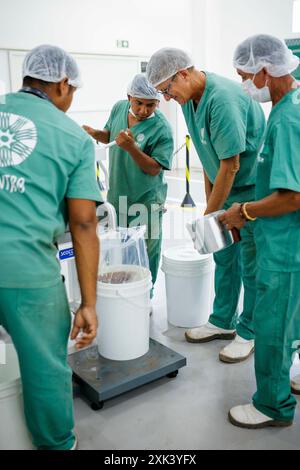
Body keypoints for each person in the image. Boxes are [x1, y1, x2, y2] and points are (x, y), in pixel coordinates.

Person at [0, 45, 102, 449]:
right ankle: (58, 445)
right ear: (62, 84)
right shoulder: (72, 138)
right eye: (72, 91)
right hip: (27, 273)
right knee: (45, 368)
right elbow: (84, 223)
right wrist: (88, 304)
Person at [147, 48, 266, 363]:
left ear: (183, 74)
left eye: (167, 90)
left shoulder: (222, 99)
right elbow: (209, 159)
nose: (168, 98)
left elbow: (232, 165)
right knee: (225, 257)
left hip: (251, 189)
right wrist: (211, 210)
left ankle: (249, 331)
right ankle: (223, 321)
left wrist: (209, 215)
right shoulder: (190, 101)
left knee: (250, 262)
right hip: (227, 184)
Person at [219, 34, 300, 428]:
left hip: (286, 247)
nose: (245, 86)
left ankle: (273, 404)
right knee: (291, 321)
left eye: (245, 76)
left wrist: (243, 211)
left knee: (272, 327)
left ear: (266, 71)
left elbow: (291, 197)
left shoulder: (287, 119)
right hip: (288, 241)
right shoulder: (290, 105)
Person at [83, 74, 174, 297]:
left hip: (146, 201)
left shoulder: (162, 128)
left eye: (150, 105)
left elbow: (154, 168)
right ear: (129, 98)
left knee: (145, 251)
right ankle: (121, 294)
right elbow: (110, 136)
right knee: (118, 249)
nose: (144, 110)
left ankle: (145, 296)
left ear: (158, 103)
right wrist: (95, 134)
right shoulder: (118, 109)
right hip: (117, 197)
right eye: (139, 103)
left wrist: (132, 148)